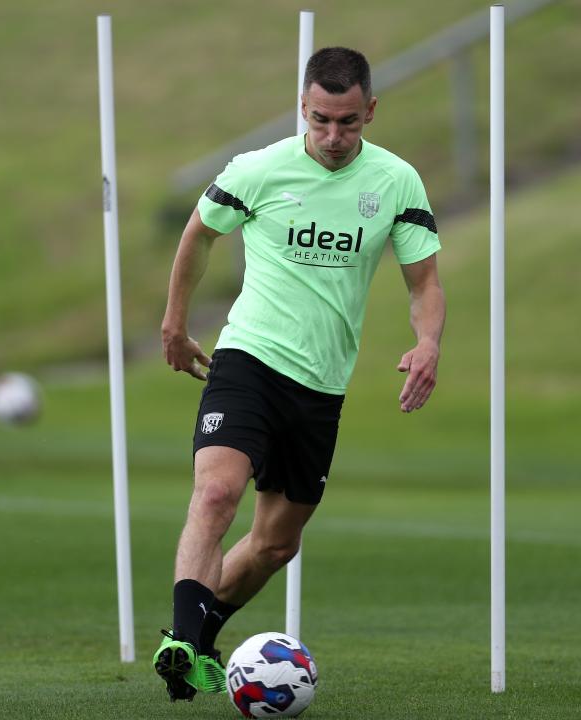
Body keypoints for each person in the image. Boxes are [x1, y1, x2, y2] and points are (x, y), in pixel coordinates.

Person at [153, 46, 446, 702]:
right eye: (320, 120)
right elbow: (198, 234)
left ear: (370, 110)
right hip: (248, 359)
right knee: (216, 494)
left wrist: (427, 342)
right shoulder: (257, 170)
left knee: (275, 544)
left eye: (348, 122)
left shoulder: (397, 183)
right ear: (302, 109)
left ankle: (202, 635)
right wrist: (174, 325)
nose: (334, 136)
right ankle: (179, 643)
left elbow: (423, 281)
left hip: (321, 385)